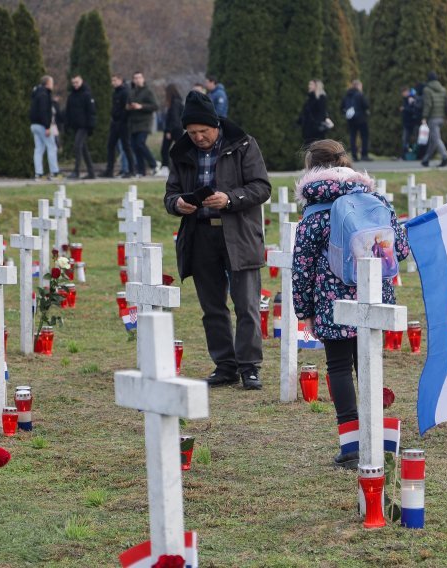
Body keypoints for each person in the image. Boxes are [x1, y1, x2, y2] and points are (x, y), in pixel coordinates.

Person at [291, 139, 410, 468]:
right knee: (368, 364)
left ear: (311, 169)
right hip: (374, 296)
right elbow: (398, 249)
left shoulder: (315, 212)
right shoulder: (373, 199)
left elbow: (301, 267)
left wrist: (305, 312)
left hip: (332, 301)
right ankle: (378, 438)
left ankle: (352, 446)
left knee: (339, 368)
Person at [164, 91, 271, 390]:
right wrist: (177, 204)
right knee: (212, 307)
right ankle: (225, 366)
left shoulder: (244, 144)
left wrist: (231, 198)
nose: (198, 137)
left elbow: (262, 187)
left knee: (246, 304)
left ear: (216, 126)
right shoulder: (181, 151)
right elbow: (170, 193)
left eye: (203, 131)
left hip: (238, 233)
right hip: (200, 235)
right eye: (192, 132)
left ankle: (250, 367)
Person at [102, 74, 136, 178]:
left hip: (123, 123)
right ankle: (109, 170)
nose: (113, 83)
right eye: (112, 81)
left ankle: (132, 170)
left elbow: (127, 108)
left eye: (115, 80)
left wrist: (121, 119)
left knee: (126, 147)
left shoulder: (125, 92)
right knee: (110, 146)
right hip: (115, 122)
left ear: (120, 80)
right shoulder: (115, 92)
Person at [128, 71, 160, 177]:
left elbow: (155, 106)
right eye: (135, 78)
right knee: (134, 146)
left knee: (140, 143)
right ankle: (141, 170)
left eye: (139, 77)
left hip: (144, 122)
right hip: (133, 123)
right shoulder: (132, 92)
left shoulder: (148, 92)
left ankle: (154, 164)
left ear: (143, 79)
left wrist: (141, 106)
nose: (137, 80)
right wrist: (129, 107)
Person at [65, 75, 97, 179]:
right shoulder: (71, 96)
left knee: (77, 146)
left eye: (77, 82)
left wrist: (91, 126)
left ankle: (76, 171)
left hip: (84, 126)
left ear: (81, 81)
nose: (75, 85)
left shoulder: (87, 95)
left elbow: (91, 112)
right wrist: (67, 125)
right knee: (83, 149)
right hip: (76, 126)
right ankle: (91, 172)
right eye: (73, 83)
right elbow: (68, 111)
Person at [29, 75, 60, 181]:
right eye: (52, 82)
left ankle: (38, 174)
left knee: (38, 149)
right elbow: (44, 111)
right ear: (47, 83)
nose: (53, 85)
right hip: (42, 125)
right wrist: (47, 126)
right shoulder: (44, 94)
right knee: (52, 147)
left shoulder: (36, 93)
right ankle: (54, 173)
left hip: (34, 124)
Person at [421, 71, 447, 167]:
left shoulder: (427, 90)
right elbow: (446, 105)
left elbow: (428, 105)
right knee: (433, 139)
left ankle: (445, 157)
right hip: (441, 117)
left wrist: (424, 116)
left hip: (433, 118)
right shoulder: (443, 89)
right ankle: (426, 159)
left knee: (436, 139)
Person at [341, 79, 371, 161]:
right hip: (361, 119)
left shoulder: (347, 95)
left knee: (352, 136)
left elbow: (342, 107)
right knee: (364, 136)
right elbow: (366, 105)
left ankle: (354, 155)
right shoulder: (359, 94)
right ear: (358, 86)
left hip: (351, 119)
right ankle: (364, 155)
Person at [160, 83, 184, 171]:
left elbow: (174, 118)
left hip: (173, 129)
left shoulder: (174, 103)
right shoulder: (179, 102)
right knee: (179, 149)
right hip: (178, 128)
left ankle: (165, 168)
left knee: (164, 149)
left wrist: (169, 131)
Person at [300, 79, 328, 145]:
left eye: (311, 84)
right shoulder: (309, 97)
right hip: (308, 128)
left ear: (316, 86)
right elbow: (305, 112)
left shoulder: (321, 98)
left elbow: (322, 112)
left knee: (317, 147)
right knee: (307, 147)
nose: (309, 86)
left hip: (317, 129)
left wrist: (317, 124)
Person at [400, 86, 420, 159]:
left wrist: (404, 109)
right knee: (405, 139)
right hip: (407, 123)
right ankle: (404, 155)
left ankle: (415, 155)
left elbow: (413, 110)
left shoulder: (411, 99)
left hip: (412, 122)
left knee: (412, 139)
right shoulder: (405, 99)